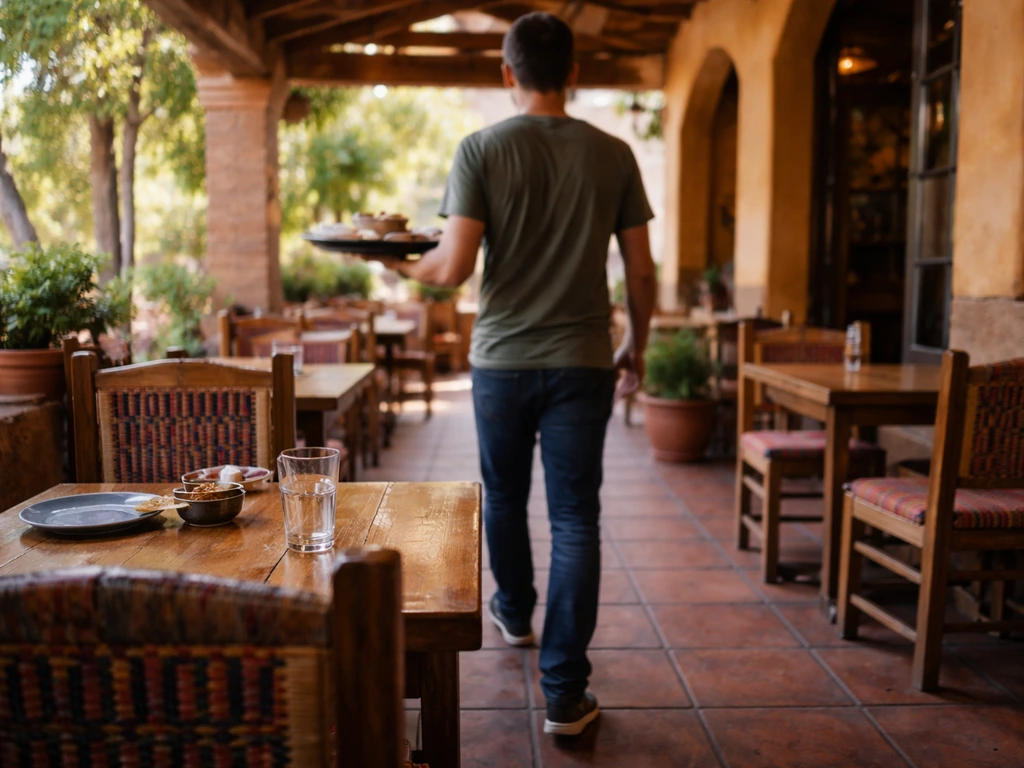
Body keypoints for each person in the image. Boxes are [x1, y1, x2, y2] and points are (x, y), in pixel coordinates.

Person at [382, 11, 656, 737]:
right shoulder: (614, 154)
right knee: (576, 519)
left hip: (501, 363)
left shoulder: (480, 149)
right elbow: (641, 269)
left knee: (502, 498)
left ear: (508, 75)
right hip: (584, 362)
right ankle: (565, 693)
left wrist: (394, 262)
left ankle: (513, 612)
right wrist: (640, 343)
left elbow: (452, 265)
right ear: (573, 73)